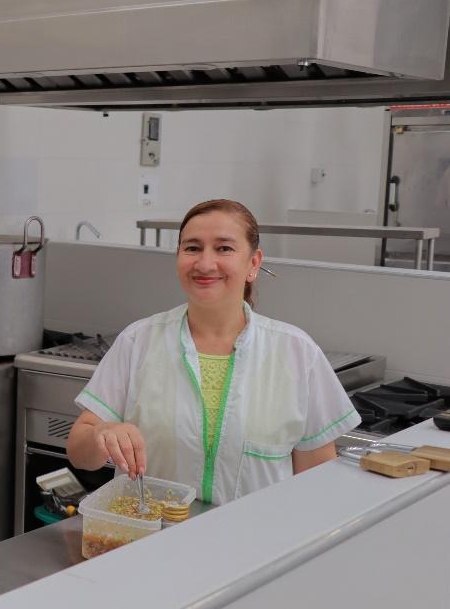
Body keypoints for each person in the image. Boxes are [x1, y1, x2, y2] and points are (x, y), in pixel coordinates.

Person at [66, 198, 358, 504]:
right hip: (153, 541)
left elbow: (316, 482)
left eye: (224, 248)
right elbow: (78, 450)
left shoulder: (297, 352)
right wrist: (102, 434)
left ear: (253, 263)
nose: (205, 264)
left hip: (260, 544)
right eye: (192, 248)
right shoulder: (139, 341)